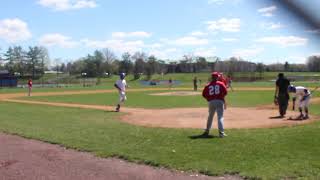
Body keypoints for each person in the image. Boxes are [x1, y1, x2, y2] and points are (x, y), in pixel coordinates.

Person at [201, 72, 228, 138]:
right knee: (220, 117)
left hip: (211, 102)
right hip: (219, 101)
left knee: (210, 116)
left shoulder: (208, 85)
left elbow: (203, 94)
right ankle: (221, 133)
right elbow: (225, 92)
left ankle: (207, 131)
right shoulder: (221, 83)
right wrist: (221, 97)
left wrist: (209, 99)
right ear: (217, 77)